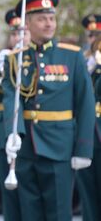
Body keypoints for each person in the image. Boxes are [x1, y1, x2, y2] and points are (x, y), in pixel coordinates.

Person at [2, 0, 95, 221]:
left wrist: (83, 148)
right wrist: (12, 134)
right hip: (26, 149)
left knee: (58, 214)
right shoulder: (15, 59)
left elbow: (85, 104)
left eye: (52, 18)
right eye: (42, 19)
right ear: (28, 23)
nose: (49, 24)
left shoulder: (71, 57)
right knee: (29, 214)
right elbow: (10, 98)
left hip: (59, 148)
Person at [0, 9, 30, 220]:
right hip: (1, 129)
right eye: (14, 34)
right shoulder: (3, 58)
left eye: (21, 33)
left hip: (28, 130)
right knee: (8, 195)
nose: (17, 38)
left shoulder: (34, 59)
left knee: (28, 195)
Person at [75, 14, 101, 221]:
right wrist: (88, 70)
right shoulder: (83, 61)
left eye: (98, 35)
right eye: (91, 35)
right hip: (87, 136)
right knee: (88, 195)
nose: (94, 40)